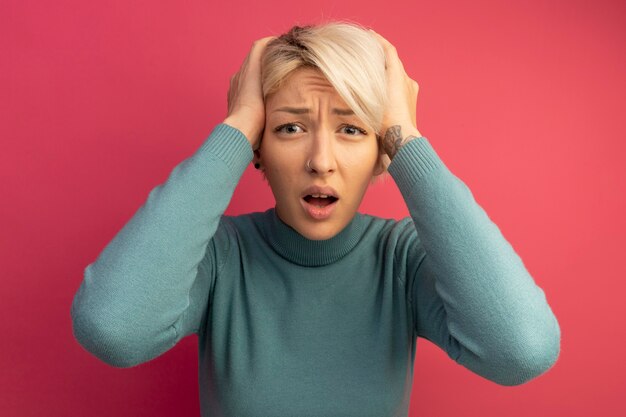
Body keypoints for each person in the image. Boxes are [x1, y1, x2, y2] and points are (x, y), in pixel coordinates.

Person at [71, 22, 561, 416]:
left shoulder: (402, 259)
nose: (321, 160)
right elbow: (113, 329)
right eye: (289, 128)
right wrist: (238, 126)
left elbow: (522, 350)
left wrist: (405, 137)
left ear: (379, 154)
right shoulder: (219, 257)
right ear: (259, 151)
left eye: (351, 128)